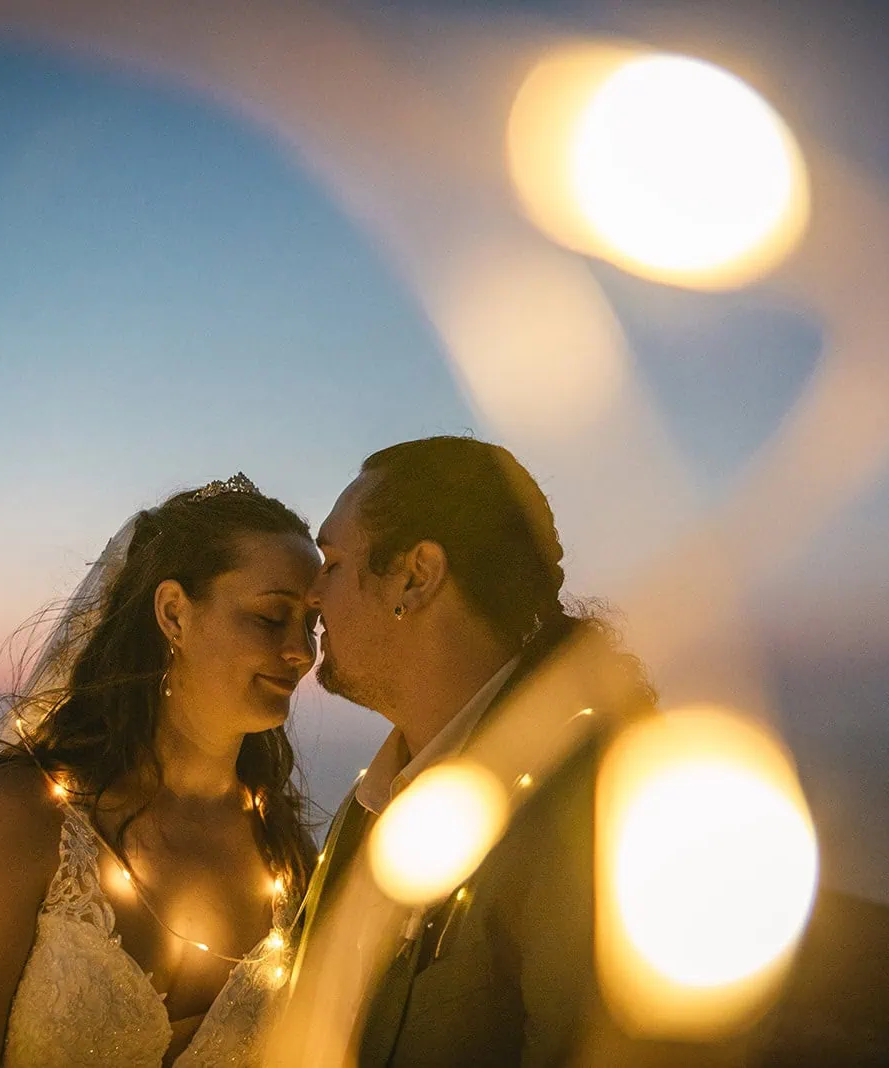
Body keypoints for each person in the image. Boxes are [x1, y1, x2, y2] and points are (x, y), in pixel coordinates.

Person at [0, 474, 321, 1068]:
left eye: (312, 624)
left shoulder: (285, 852)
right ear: (175, 614)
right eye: (271, 617)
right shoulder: (17, 821)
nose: (302, 650)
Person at [292, 436, 724, 1067]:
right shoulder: (372, 806)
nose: (312, 597)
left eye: (331, 563)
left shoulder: (596, 816)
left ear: (415, 577)